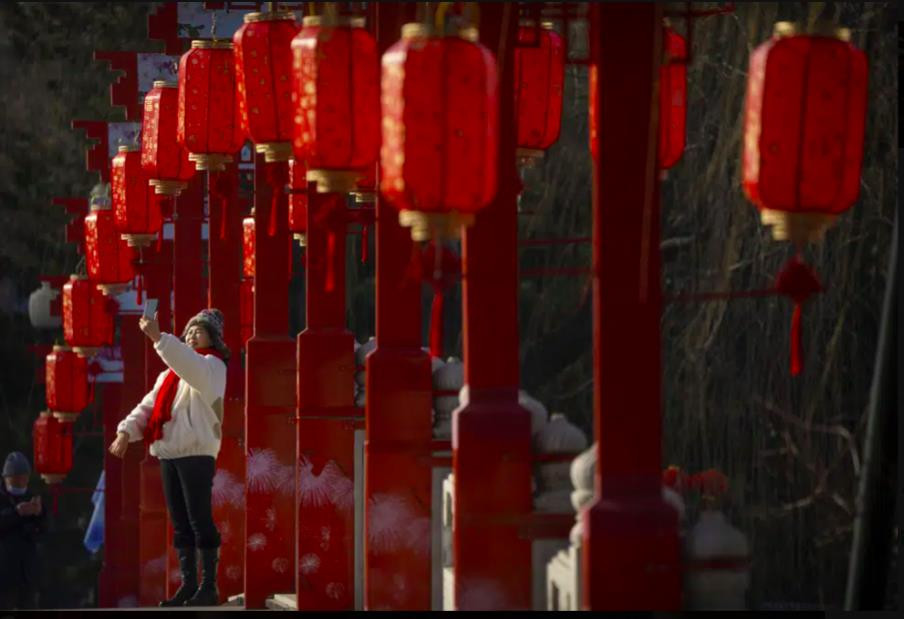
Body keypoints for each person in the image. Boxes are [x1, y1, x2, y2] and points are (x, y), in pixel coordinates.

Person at [108, 308, 229, 607]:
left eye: (197, 332)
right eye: (188, 332)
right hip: (170, 453)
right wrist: (126, 431)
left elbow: (190, 366)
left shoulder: (213, 367)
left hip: (196, 453)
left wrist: (160, 338)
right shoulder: (170, 375)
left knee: (200, 518)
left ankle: (208, 586)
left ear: (212, 338)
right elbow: (148, 407)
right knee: (180, 522)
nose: (190, 336)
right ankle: (188, 584)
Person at [0, 451, 47, 610]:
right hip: (4, 572)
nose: (21, 483)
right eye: (16, 479)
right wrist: (17, 513)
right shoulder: (3, 498)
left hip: (27, 571)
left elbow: (43, 531)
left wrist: (38, 514)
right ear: (6, 478)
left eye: (24, 478)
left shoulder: (31, 497)